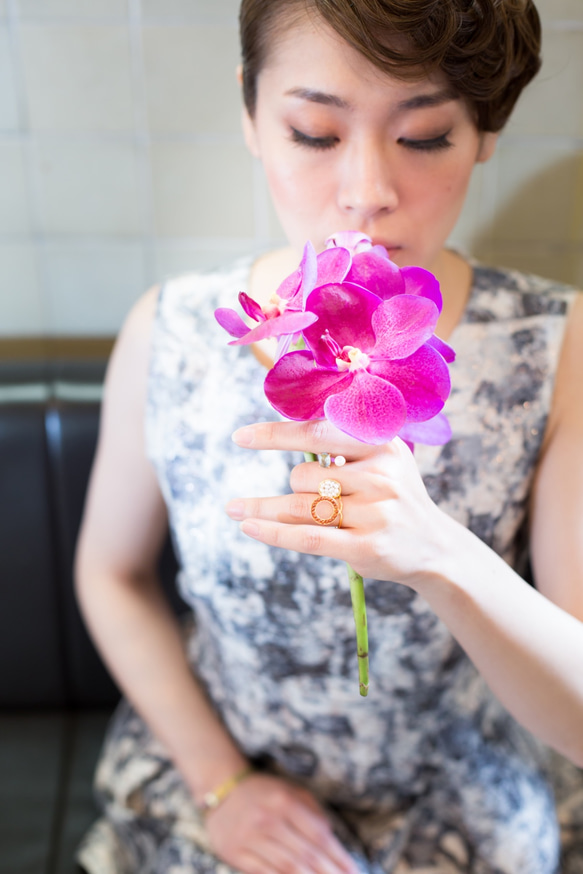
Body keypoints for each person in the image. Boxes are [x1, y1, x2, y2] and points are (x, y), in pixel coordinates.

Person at [75, 0, 583, 872]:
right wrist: (221, 785)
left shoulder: (553, 345)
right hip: (222, 773)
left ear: (486, 132)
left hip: (458, 796)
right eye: (313, 132)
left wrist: (437, 554)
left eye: (424, 137)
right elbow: (110, 575)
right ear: (251, 112)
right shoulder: (173, 333)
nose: (364, 193)